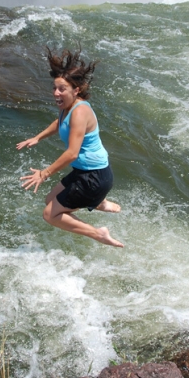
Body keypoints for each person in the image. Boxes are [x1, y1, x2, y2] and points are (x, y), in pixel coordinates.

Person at [17, 49, 123, 248]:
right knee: (50, 200)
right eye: (55, 88)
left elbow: (72, 152)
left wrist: (44, 173)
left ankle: (98, 233)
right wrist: (38, 137)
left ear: (76, 90)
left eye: (62, 89)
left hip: (95, 177)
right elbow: (60, 123)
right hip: (86, 172)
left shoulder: (80, 111)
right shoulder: (68, 108)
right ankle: (99, 202)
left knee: (50, 214)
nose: (56, 93)